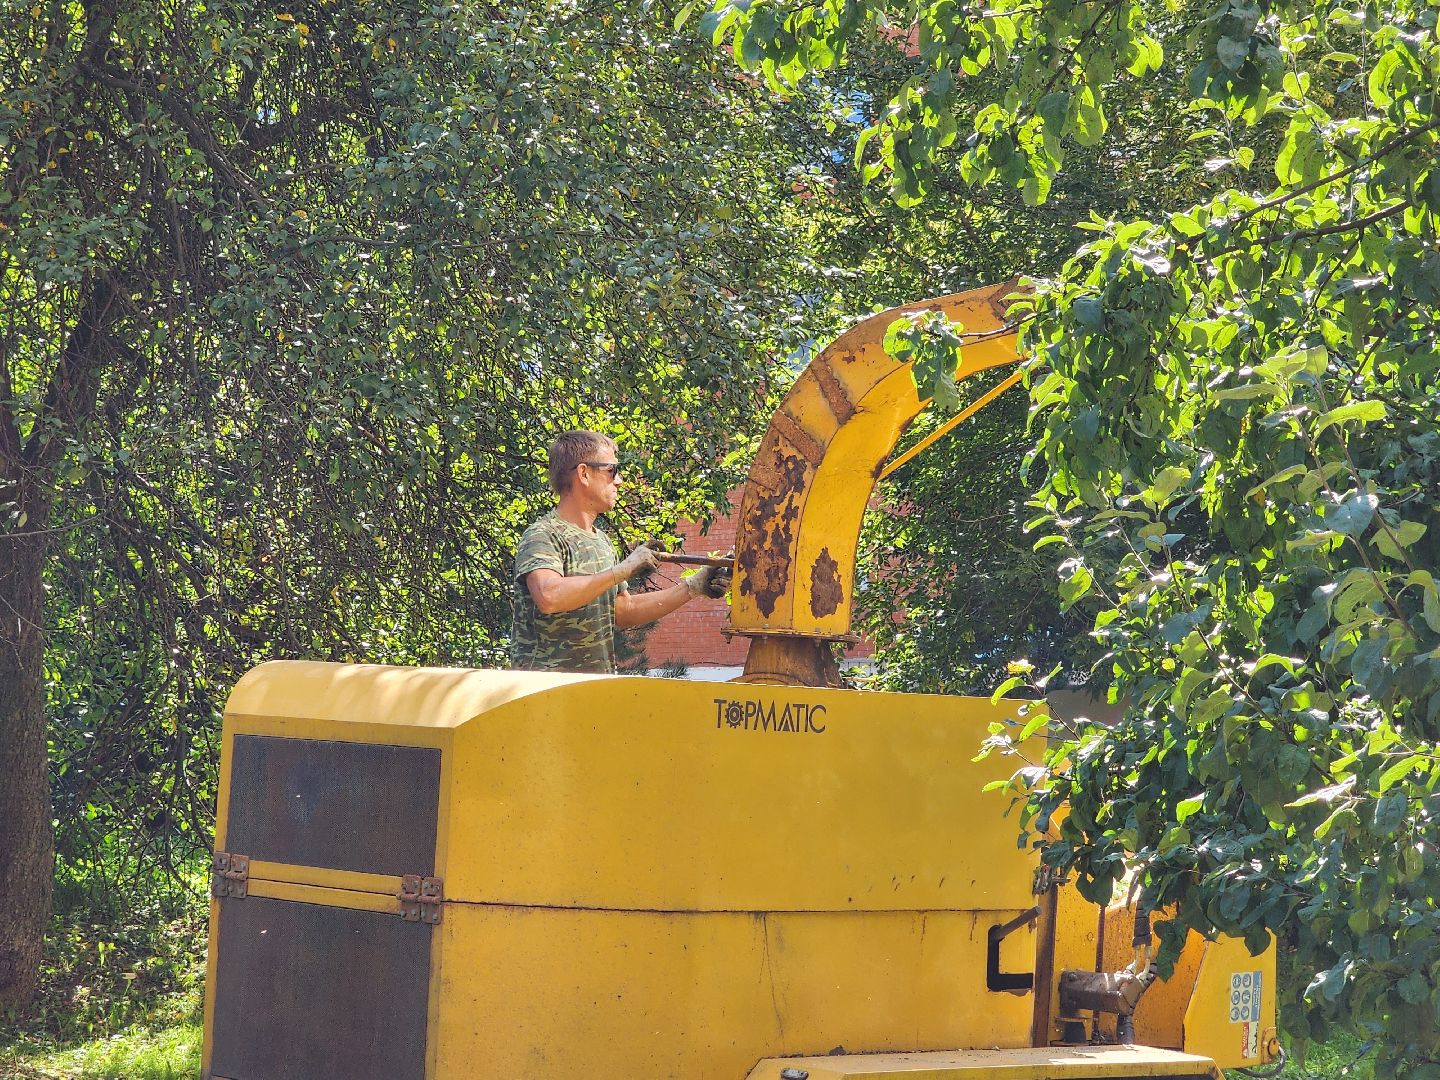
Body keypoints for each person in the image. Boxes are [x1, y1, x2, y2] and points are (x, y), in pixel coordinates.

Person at [510, 430, 729, 674]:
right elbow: (548, 596)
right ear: (583, 473)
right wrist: (622, 570)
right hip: (541, 696)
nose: (619, 480)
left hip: (593, 693)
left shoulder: (601, 541)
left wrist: (693, 587)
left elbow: (623, 612)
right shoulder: (543, 534)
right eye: (611, 470)